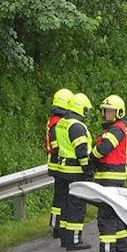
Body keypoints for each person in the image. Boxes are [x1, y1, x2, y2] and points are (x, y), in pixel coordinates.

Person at [90, 95, 127, 252]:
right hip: (113, 176)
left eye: (110, 111)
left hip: (110, 177)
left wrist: (91, 157)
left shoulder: (116, 130)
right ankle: (121, 248)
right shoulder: (115, 129)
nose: (107, 114)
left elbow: (104, 149)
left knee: (106, 215)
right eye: (106, 111)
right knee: (116, 212)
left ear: (118, 112)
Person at [52, 93, 92, 251]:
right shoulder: (76, 126)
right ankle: (74, 240)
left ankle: (66, 238)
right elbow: (81, 150)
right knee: (77, 206)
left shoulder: (62, 123)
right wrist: (87, 170)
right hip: (75, 171)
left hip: (62, 170)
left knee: (65, 204)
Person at [43, 89, 73, 237]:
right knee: (62, 196)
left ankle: (57, 224)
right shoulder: (58, 122)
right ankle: (59, 227)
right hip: (59, 163)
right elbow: (55, 145)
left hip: (55, 163)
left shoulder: (53, 120)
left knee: (59, 195)